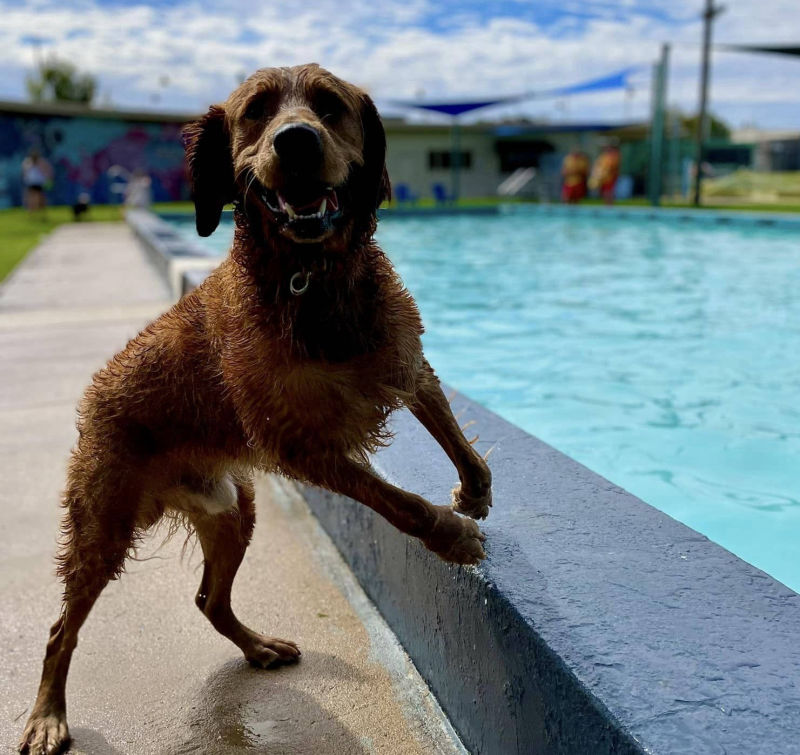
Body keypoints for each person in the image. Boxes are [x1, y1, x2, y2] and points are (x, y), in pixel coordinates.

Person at [21, 149, 52, 214]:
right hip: (31, 182)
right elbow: (24, 172)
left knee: (40, 196)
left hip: (39, 182)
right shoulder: (27, 162)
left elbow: (48, 170)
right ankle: (31, 209)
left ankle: (40, 209)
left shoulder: (42, 162)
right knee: (30, 196)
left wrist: (48, 179)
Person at [589, 140, 621, 205]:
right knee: (604, 192)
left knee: (608, 192)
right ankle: (606, 204)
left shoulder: (614, 155)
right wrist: (596, 173)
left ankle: (610, 205)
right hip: (603, 178)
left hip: (610, 177)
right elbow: (597, 165)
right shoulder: (603, 156)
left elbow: (613, 166)